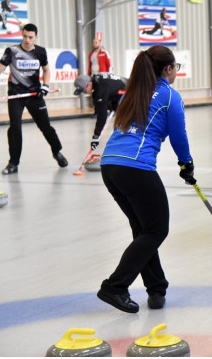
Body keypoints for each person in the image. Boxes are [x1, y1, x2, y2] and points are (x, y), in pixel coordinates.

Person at [97, 45, 195, 313]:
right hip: (135, 168)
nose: (176, 71)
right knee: (156, 229)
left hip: (110, 167)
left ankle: (156, 288)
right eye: (175, 67)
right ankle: (115, 287)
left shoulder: (134, 90)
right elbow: (179, 137)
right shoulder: (169, 96)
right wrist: (187, 164)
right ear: (167, 69)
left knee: (144, 231)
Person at [0, 23, 68, 174]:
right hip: (16, 95)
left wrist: (45, 85)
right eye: (24, 36)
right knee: (15, 128)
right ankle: (13, 163)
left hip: (34, 95)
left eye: (30, 37)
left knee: (46, 127)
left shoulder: (41, 52)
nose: (27, 40)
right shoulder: (12, 51)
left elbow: (47, 70)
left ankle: (57, 152)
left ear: (36, 37)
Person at [73, 72, 127, 149]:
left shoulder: (100, 90)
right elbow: (110, 89)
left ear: (89, 84)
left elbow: (102, 116)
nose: (84, 93)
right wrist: (113, 106)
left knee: (124, 121)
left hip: (130, 91)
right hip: (121, 90)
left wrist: (96, 137)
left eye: (84, 90)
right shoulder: (97, 81)